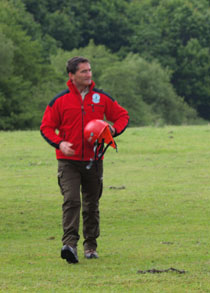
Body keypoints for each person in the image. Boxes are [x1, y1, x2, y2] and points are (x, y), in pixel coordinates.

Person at [40, 57, 129, 264]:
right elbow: (46, 127)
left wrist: (113, 129)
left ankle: (90, 245)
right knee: (71, 200)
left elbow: (122, 115)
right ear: (72, 75)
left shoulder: (101, 98)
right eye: (83, 72)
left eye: (89, 70)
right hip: (68, 161)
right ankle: (69, 245)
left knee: (91, 205)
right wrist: (59, 143)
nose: (88, 74)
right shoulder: (59, 101)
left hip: (94, 159)